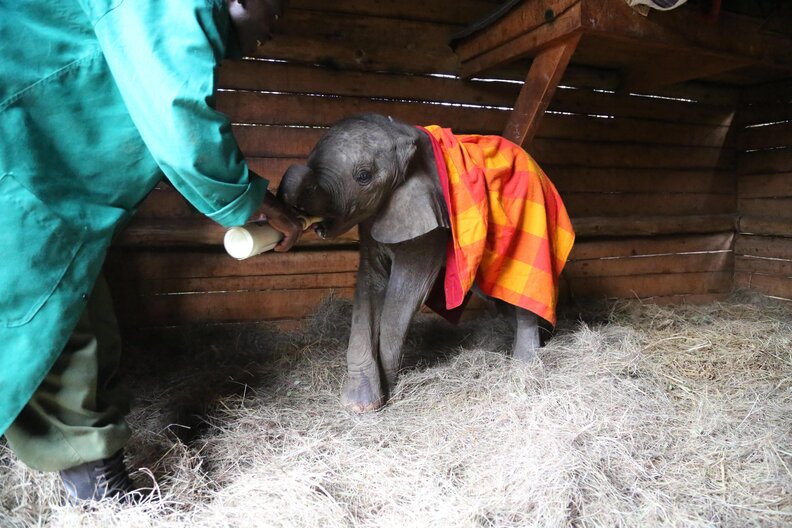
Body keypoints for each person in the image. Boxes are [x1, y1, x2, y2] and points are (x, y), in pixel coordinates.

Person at [0, 0, 301, 502]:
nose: (277, 24)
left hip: (41, 171)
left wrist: (252, 199)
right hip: (20, 166)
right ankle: (98, 485)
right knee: (44, 320)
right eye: (279, 8)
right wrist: (246, 200)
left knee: (74, 310)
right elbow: (175, 113)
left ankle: (94, 474)